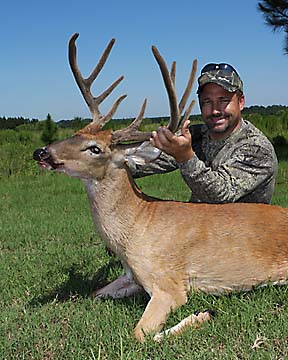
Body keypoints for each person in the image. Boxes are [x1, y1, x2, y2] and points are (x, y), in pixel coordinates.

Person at [129, 63, 278, 204]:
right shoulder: (196, 136)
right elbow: (144, 162)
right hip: (199, 226)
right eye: (207, 101)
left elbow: (221, 195)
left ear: (241, 102)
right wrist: (113, 157)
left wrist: (185, 157)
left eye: (223, 100)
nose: (215, 110)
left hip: (241, 229)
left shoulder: (257, 149)